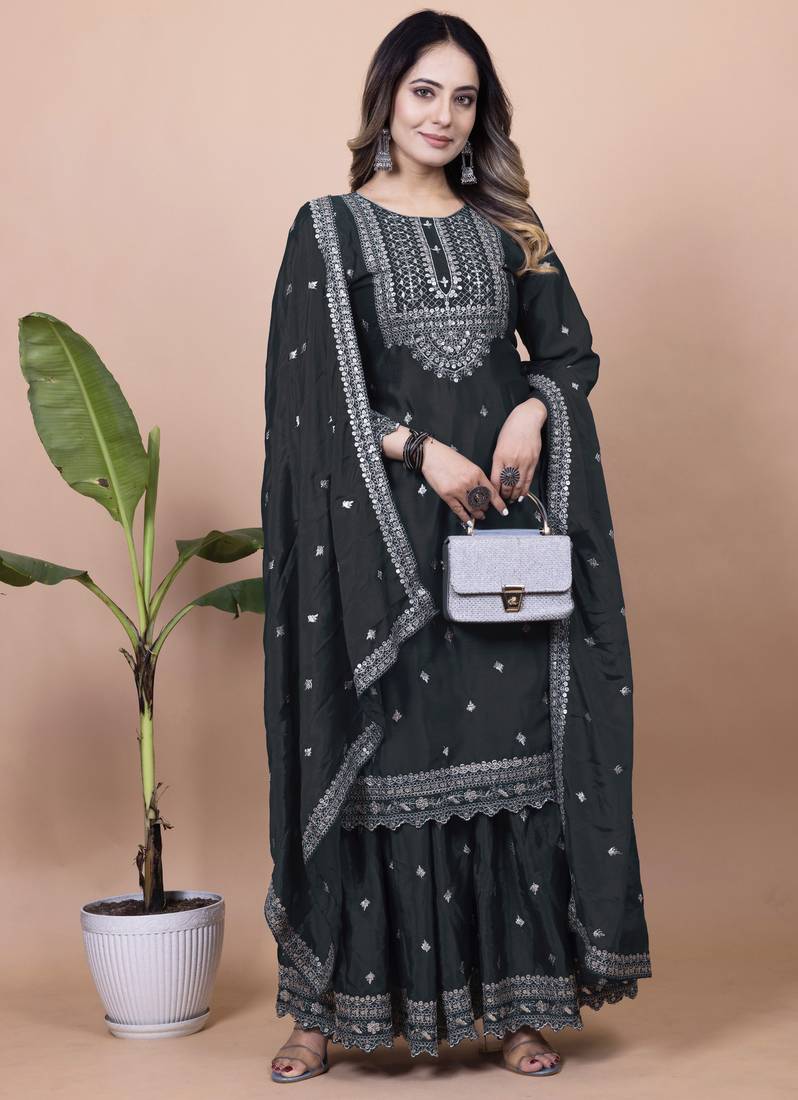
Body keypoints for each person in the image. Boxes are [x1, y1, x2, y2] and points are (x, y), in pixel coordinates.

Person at [261, 10, 652, 1082]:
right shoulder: (329, 229)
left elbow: (568, 356)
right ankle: (322, 1010)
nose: (443, 115)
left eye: (464, 98)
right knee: (378, 759)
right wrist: (418, 448)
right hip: (376, 549)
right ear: (388, 96)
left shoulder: (511, 229)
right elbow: (310, 400)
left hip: (498, 538)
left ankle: (518, 1003)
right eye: (425, 91)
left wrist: (533, 407)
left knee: (515, 762)